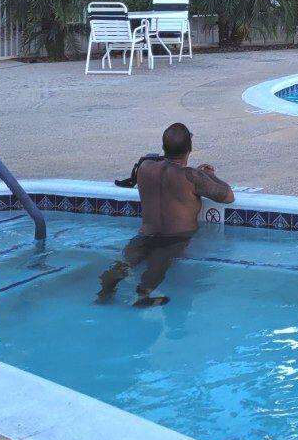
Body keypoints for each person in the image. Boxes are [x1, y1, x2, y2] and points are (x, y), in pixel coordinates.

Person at [98, 122, 234, 307]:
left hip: (146, 234)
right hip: (176, 238)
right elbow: (227, 196)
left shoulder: (145, 167)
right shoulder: (192, 177)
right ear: (190, 148)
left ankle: (103, 293)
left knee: (126, 262)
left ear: (163, 147)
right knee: (159, 264)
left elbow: (165, 167)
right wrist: (208, 174)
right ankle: (142, 297)